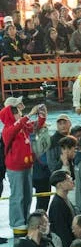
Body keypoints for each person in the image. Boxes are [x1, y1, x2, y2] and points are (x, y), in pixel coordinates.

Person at [1, 99, 47, 236]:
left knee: (27, 195)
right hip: (15, 168)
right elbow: (16, 127)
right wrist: (30, 114)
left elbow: (36, 126)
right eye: (17, 113)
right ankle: (17, 223)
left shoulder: (23, 126)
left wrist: (42, 116)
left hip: (27, 165)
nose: (20, 114)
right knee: (18, 196)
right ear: (11, 115)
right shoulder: (7, 130)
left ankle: (25, 219)